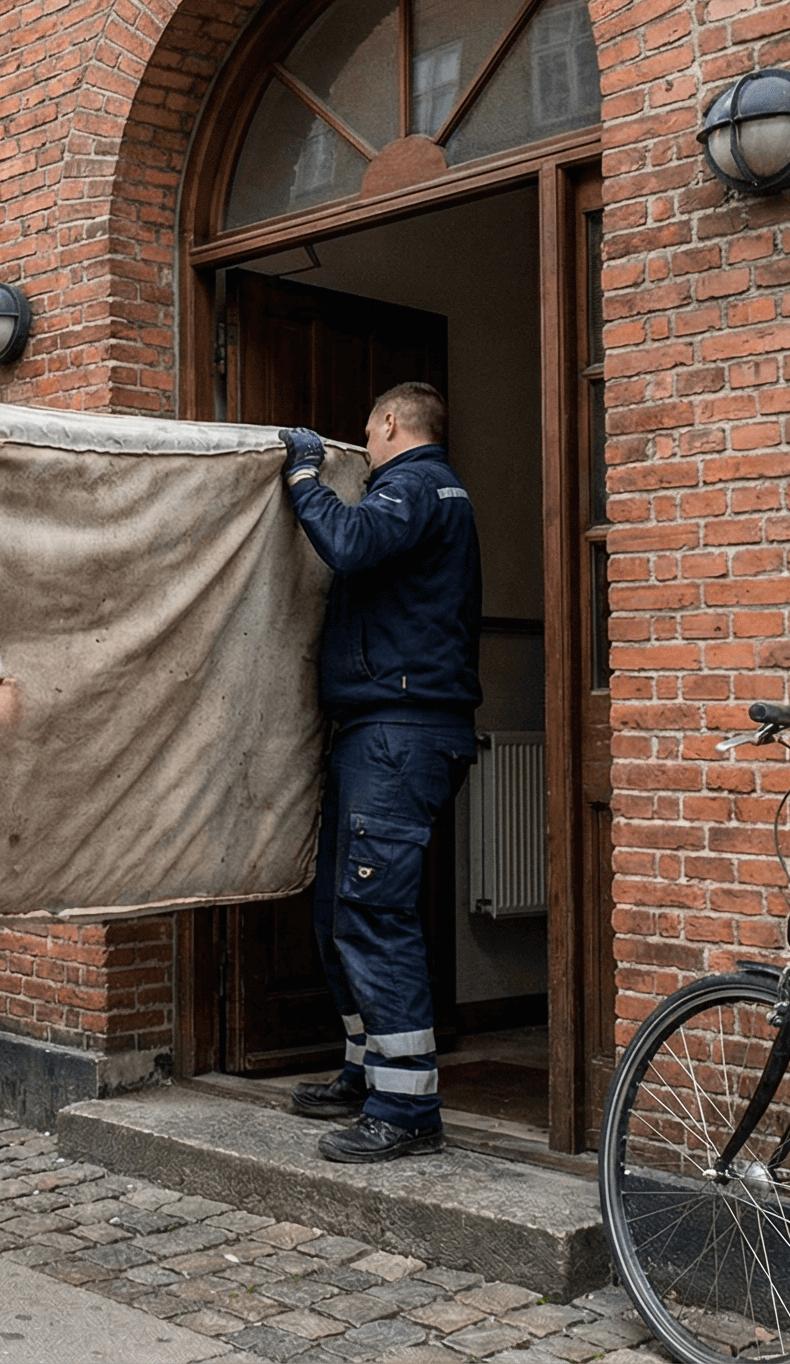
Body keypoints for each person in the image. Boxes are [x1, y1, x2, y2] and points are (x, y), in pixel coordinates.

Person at [278, 380, 481, 1164]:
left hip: (400, 734)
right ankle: (367, 1070)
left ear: (392, 423)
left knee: (372, 913)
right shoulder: (424, 490)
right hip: (381, 730)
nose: (361, 444)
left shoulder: (418, 486)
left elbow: (350, 543)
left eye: (368, 429)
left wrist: (302, 478)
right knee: (341, 910)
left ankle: (406, 1109)